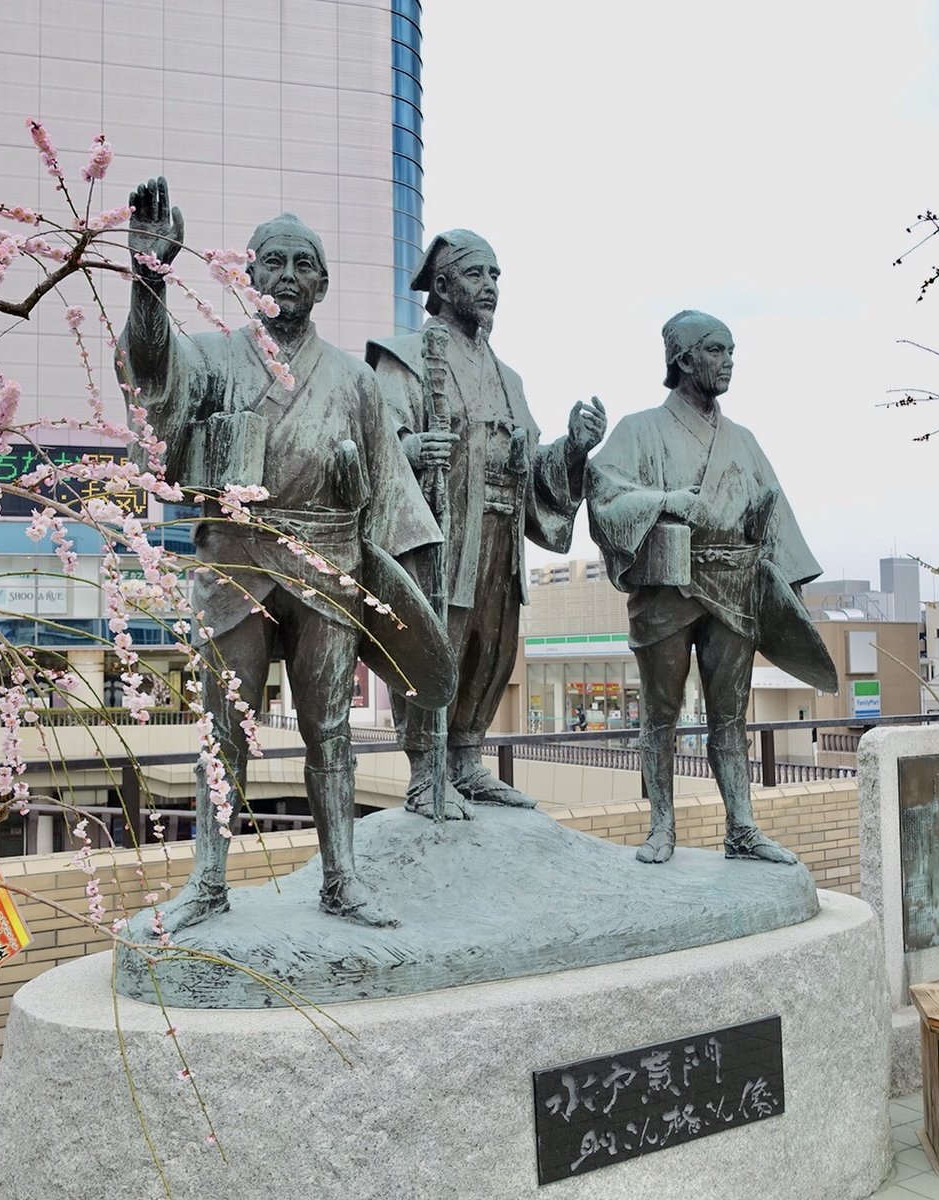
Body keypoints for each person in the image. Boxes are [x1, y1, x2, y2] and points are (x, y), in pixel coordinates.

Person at [118, 178, 442, 929]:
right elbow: (154, 380)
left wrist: (358, 490)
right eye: (273, 262)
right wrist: (147, 280)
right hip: (237, 555)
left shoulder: (357, 381)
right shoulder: (213, 356)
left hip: (328, 561)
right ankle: (208, 878)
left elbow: (390, 496)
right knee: (224, 724)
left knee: (329, 726)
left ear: (323, 283)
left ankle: (342, 877)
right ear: (247, 273)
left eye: (303, 264)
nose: (288, 276)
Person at [368, 230, 606, 816]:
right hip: (442, 537)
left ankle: (468, 762)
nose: (490, 288)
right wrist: (412, 444)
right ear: (444, 286)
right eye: (477, 275)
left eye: (496, 276)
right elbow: (378, 432)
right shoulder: (405, 358)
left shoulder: (509, 378)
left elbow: (535, 462)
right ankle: (426, 772)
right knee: (432, 644)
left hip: (499, 531)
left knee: (493, 645)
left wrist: (572, 449)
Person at [587, 311, 838, 865]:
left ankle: (742, 827)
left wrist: (791, 597)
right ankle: (661, 827)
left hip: (733, 586)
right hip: (666, 588)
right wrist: (666, 500)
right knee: (660, 713)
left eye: (731, 351)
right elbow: (603, 494)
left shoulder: (743, 441)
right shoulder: (637, 429)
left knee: (731, 716)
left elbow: (774, 518)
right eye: (717, 351)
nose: (728, 361)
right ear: (683, 359)